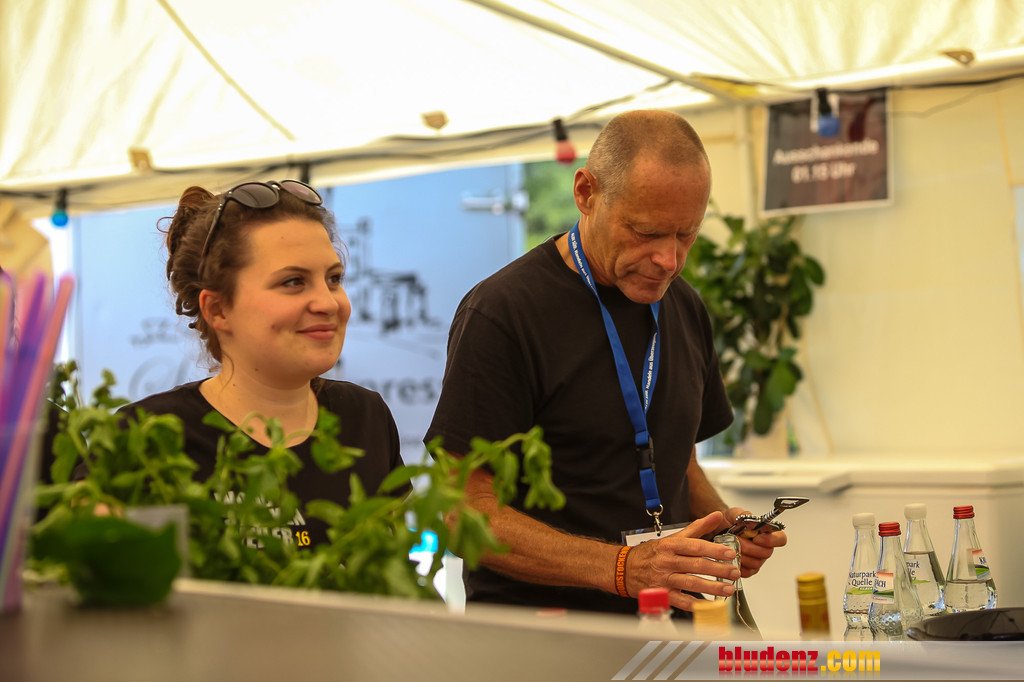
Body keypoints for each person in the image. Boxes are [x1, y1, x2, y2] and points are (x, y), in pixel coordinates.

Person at [425, 110, 786, 616]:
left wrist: (723, 528)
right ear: (586, 193)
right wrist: (621, 568)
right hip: (549, 636)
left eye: (686, 235)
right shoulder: (504, 314)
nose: (669, 260)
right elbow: (463, 510)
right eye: (646, 232)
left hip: (672, 624)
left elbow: (677, 463)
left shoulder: (684, 304)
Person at [124, 180, 402, 548]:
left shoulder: (365, 417)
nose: (328, 303)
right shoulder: (149, 437)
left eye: (333, 278)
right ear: (218, 310)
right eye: (293, 282)